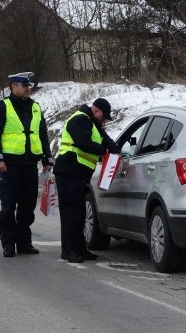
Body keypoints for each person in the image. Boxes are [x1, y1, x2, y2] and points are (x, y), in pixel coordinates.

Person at [0, 72, 54, 258]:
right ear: (13, 87)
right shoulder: (3, 107)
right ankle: (8, 244)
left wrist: (47, 159)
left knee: (27, 206)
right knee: (8, 206)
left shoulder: (35, 107)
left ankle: (24, 243)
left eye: (29, 86)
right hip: (9, 165)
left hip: (29, 165)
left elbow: (42, 135)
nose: (28, 89)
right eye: (24, 86)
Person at [53, 98, 119, 263]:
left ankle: (80, 249)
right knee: (70, 213)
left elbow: (108, 142)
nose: (104, 120)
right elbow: (83, 143)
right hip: (68, 171)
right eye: (104, 116)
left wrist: (117, 152)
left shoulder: (93, 124)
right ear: (96, 111)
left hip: (79, 175)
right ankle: (68, 251)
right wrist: (103, 151)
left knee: (80, 213)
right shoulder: (79, 119)